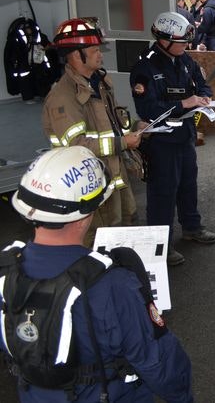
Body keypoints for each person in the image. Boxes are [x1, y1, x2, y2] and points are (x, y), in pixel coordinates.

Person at [2, 146, 194, 402]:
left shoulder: (6, 268)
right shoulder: (111, 285)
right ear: (85, 216)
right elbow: (157, 362)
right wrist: (183, 397)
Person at [42, 17, 140, 246]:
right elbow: (77, 147)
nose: (101, 54)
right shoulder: (63, 98)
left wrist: (135, 127)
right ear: (77, 55)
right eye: (95, 50)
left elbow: (114, 123)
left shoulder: (100, 82)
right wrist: (123, 143)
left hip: (114, 177)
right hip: (87, 188)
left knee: (123, 235)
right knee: (94, 244)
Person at [130, 12, 215, 266]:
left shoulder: (185, 60)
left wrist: (201, 98)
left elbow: (203, 85)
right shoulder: (145, 68)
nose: (186, 46)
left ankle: (192, 227)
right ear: (164, 40)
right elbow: (148, 109)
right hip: (161, 140)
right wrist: (183, 103)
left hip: (185, 135)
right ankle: (161, 244)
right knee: (163, 192)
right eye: (181, 41)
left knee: (188, 184)